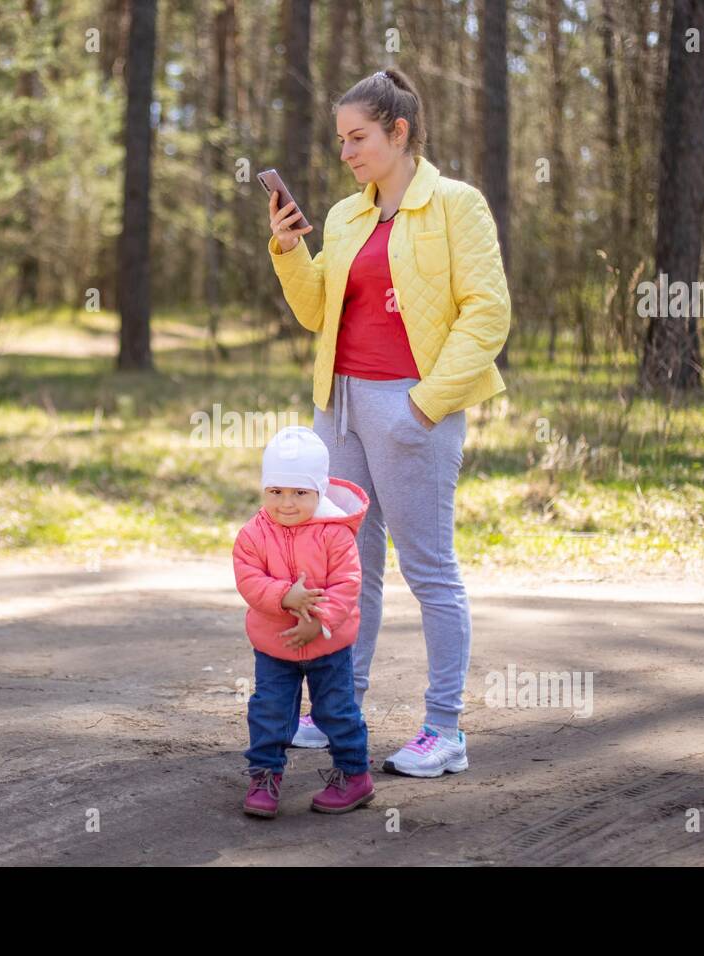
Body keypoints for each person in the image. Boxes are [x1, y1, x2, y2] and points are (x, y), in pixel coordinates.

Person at [266, 67, 512, 777]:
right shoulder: (346, 216)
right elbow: (317, 313)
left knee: (429, 567)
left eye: (358, 137)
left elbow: (487, 313)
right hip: (337, 404)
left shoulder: (456, 206)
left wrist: (423, 404)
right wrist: (288, 250)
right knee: (349, 565)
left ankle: (445, 730)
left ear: (399, 132)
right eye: (340, 139)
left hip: (413, 404)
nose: (345, 152)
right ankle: (341, 706)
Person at [232, 425, 374, 817]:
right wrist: (283, 597)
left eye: (300, 492)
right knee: (269, 711)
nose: (286, 503)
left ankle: (354, 774)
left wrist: (321, 620)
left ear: (319, 492)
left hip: (328, 646)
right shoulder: (253, 534)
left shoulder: (336, 535)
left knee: (336, 711)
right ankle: (264, 775)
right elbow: (248, 578)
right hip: (275, 646)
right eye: (276, 491)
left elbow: (348, 584)